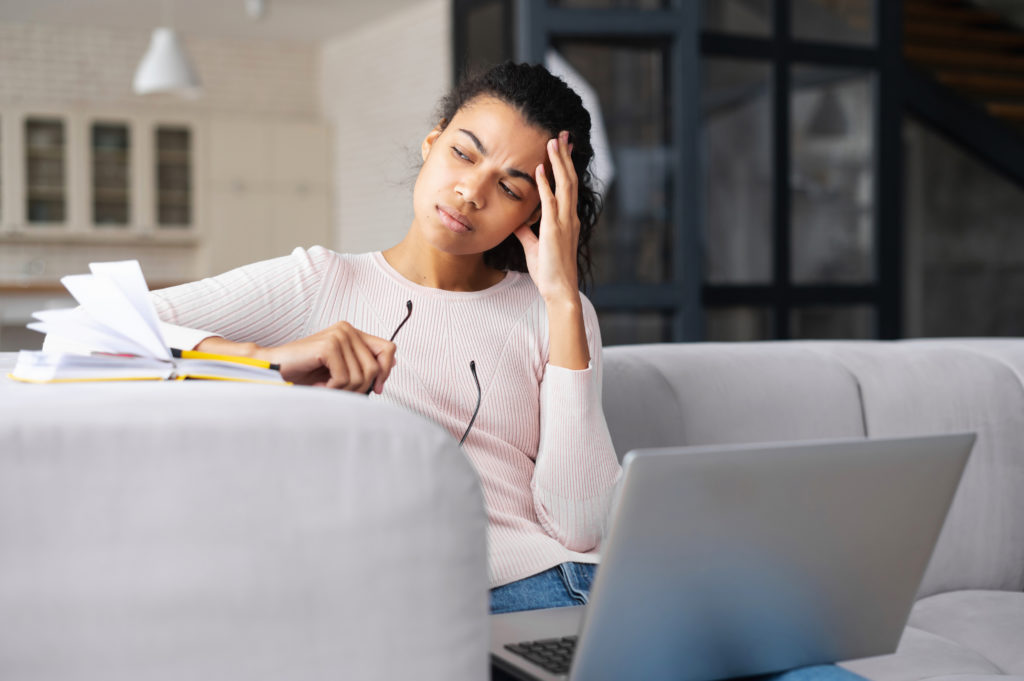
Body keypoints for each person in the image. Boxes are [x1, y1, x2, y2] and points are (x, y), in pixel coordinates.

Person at [149, 61, 623, 614]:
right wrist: (266, 359)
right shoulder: (323, 281)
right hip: (439, 597)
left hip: (575, 586)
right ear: (431, 143)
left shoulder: (558, 311)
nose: (471, 191)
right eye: (463, 154)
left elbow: (580, 527)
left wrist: (563, 301)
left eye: (511, 187)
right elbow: (99, 324)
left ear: (539, 211)